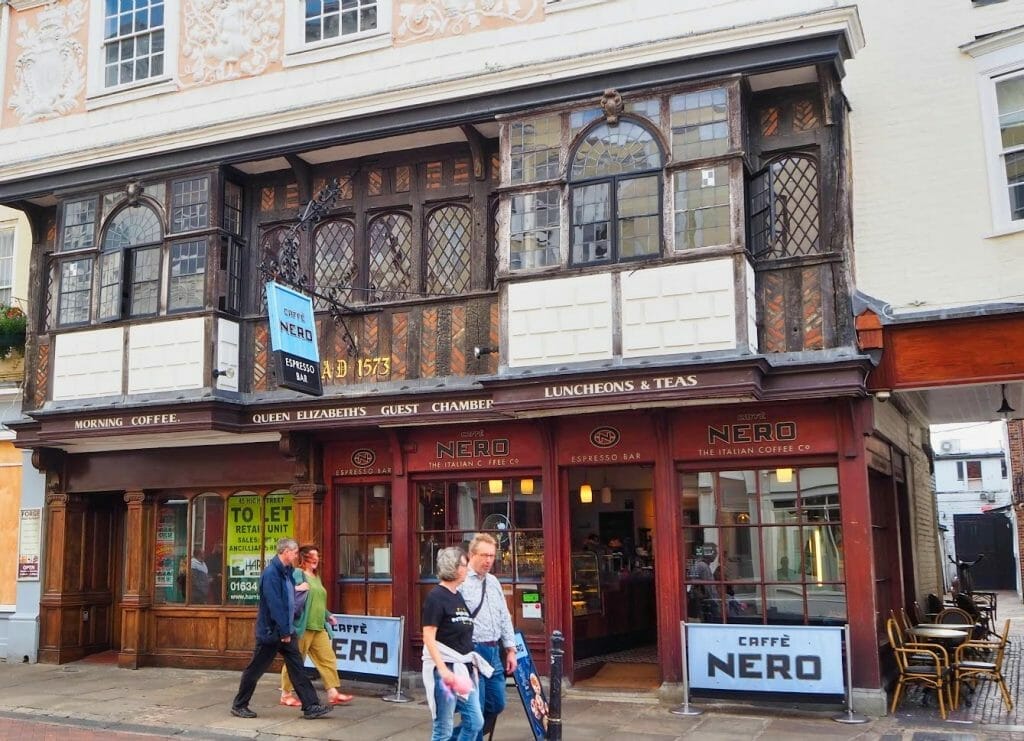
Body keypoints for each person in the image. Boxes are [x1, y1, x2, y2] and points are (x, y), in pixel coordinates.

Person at [229, 538, 332, 721]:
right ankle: (239, 705)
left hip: (286, 630)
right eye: (294, 552)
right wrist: (284, 631)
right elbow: (275, 604)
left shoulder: (287, 572)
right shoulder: (271, 574)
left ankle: (311, 706)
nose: (296, 555)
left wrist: (288, 629)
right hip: (271, 632)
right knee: (255, 670)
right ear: (285, 552)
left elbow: (290, 598)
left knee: (297, 668)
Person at [422, 546, 491, 741]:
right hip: (445, 670)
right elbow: (428, 636)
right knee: (443, 728)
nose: (468, 568)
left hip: (463, 668)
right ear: (454, 568)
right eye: (464, 564)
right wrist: (443, 670)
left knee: (476, 722)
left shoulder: (457, 595)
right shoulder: (436, 597)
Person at [454, 533, 517, 740]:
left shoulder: (493, 582)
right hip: (473, 651)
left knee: (497, 703)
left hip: (493, 651)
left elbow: (504, 617)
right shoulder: (461, 582)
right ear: (472, 555)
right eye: (484, 555)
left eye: (492, 555)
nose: (489, 560)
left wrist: (511, 649)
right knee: (476, 710)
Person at [280, 545, 354, 707]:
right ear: (304, 558)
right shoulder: (298, 574)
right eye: (313, 556)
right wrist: (297, 587)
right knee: (295, 661)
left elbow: (317, 601)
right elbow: (286, 592)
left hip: (318, 627)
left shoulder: (316, 577)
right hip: (302, 627)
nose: (316, 559)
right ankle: (286, 694)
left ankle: (333, 692)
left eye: (318, 556)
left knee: (327, 659)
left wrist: (329, 616)